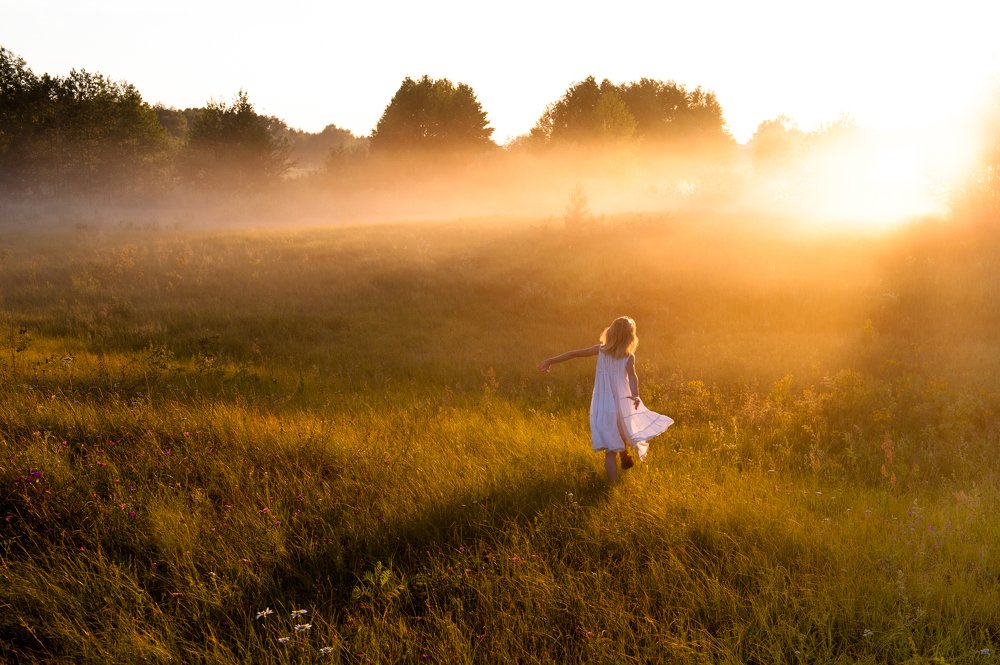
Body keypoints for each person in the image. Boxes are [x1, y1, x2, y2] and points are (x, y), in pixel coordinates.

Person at [538, 316, 673, 482]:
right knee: (622, 428)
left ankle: (613, 482)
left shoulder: (602, 350)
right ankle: (622, 460)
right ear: (630, 337)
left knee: (611, 446)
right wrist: (635, 394)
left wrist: (550, 361)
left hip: (604, 403)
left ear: (610, 333)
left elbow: (574, 353)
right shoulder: (628, 356)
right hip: (622, 401)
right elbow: (632, 376)